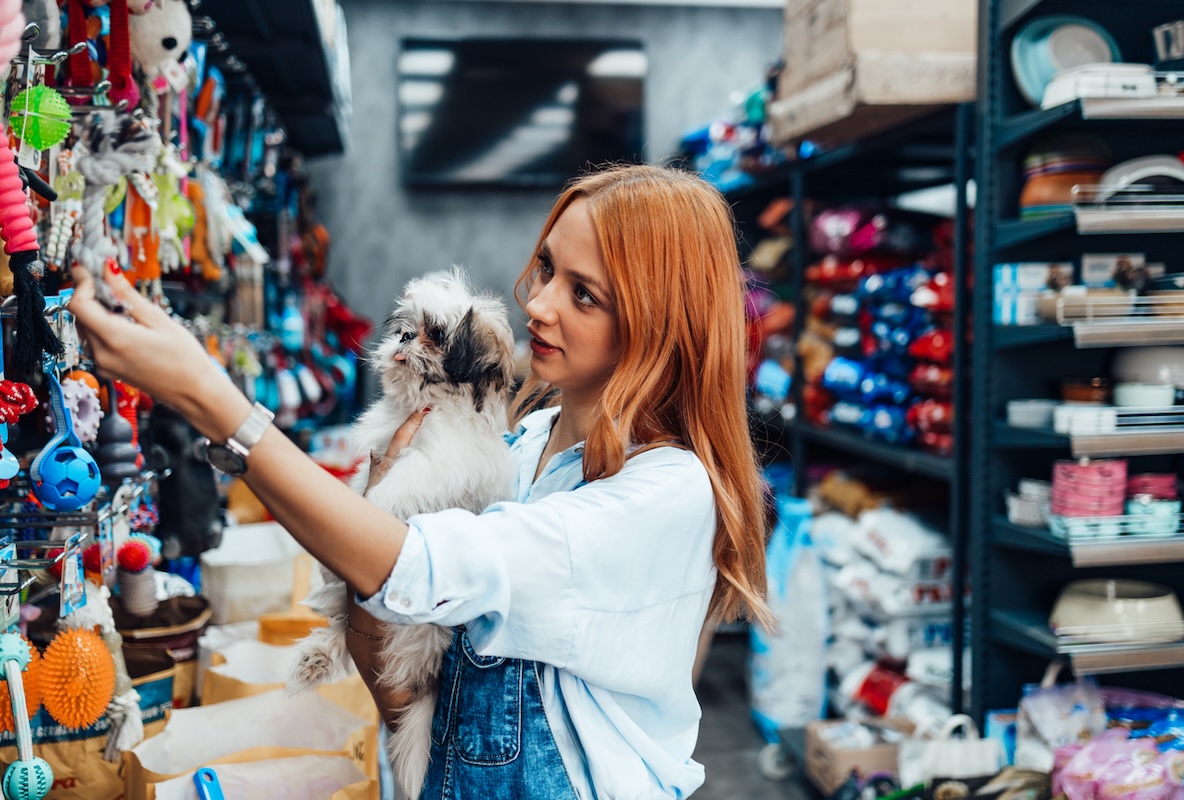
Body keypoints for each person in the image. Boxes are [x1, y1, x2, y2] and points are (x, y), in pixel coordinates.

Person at [69, 163, 771, 800]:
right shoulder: (521, 450)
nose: (540, 305)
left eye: (584, 295)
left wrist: (209, 398)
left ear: (659, 324)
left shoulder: (668, 495)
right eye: (548, 268)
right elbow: (401, 669)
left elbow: (411, 567)